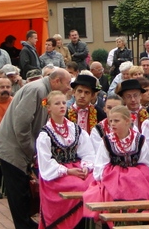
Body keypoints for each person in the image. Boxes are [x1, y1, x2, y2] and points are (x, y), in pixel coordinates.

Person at [0, 68, 72, 229]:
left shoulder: (43, 91)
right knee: (18, 195)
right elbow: (21, 125)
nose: (69, 88)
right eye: (68, 83)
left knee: (23, 194)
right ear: (56, 81)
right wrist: (33, 152)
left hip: (20, 149)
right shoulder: (37, 90)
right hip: (13, 150)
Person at [37, 90, 95, 229]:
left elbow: (87, 152)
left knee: (94, 183)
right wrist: (67, 171)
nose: (62, 106)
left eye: (64, 103)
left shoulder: (75, 129)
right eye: (57, 103)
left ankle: (83, 222)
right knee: (79, 186)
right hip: (56, 175)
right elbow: (45, 163)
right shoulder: (45, 135)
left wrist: (86, 166)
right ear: (49, 107)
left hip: (77, 169)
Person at [84, 104, 149, 217]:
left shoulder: (139, 139)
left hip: (136, 178)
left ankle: (138, 217)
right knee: (109, 190)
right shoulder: (107, 141)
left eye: (116, 121)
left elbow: (146, 163)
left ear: (127, 121)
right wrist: (118, 174)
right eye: (111, 121)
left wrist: (131, 174)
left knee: (140, 182)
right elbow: (100, 165)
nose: (112, 124)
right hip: (114, 178)